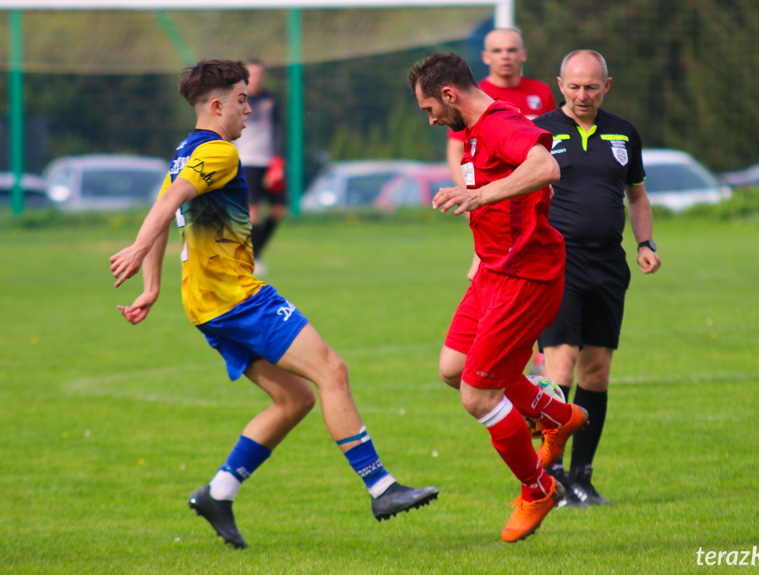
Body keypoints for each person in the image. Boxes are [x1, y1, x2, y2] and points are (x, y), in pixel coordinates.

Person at [110, 59, 438, 550]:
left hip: (205, 304)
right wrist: (138, 254)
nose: (248, 108)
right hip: (237, 298)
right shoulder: (217, 154)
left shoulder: (186, 150)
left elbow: (163, 210)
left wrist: (153, 287)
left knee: (295, 398)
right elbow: (164, 208)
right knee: (332, 370)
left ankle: (218, 493)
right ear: (217, 105)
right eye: (242, 99)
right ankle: (381, 488)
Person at [407, 52, 588, 543]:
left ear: (449, 94)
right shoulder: (470, 133)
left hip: (526, 278)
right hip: (491, 273)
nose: (430, 119)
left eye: (429, 108)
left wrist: (480, 196)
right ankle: (557, 415)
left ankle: (538, 489)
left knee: (478, 393)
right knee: (452, 369)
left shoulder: (500, 123)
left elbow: (546, 166)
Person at [532, 50, 661, 508]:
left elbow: (638, 196)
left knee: (597, 372)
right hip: (557, 262)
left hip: (609, 264)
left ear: (608, 85)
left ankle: (584, 477)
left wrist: (645, 244)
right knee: (559, 367)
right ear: (559, 84)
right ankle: (550, 477)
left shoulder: (624, 132)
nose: (582, 94)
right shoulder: (539, 132)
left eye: (591, 86)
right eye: (574, 86)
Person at [446, 28, 557, 288]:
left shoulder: (540, 93)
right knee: (494, 280)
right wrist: (470, 198)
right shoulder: (474, 94)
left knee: (539, 277)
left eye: (511, 50)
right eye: (497, 51)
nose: (505, 56)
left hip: (535, 200)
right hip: (493, 206)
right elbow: (456, 154)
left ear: (523, 54)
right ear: (485, 57)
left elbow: (549, 147)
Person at [233, 60, 285, 275]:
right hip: (246, 162)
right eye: (251, 74)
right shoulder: (234, 99)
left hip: (268, 162)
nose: (256, 78)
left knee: (278, 209)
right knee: (253, 212)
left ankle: (257, 252)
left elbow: (278, 129)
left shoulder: (270, 99)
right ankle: (253, 259)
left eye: (260, 74)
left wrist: (278, 161)